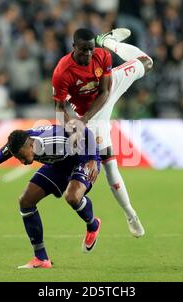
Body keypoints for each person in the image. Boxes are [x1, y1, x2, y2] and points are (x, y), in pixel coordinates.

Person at [52, 28, 153, 238]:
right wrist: (74, 127)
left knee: (147, 62)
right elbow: (60, 110)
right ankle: (131, 215)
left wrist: (84, 121)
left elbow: (106, 91)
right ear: (73, 48)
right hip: (88, 114)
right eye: (83, 50)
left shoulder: (101, 56)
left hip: (103, 96)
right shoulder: (62, 71)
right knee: (109, 164)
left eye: (91, 49)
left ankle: (110, 41)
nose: (88, 54)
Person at [0, 124, 101, 269]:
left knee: (72, 197)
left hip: (81, 160)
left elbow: (84, 130)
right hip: (57, 166)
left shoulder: (54, 141)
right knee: (25, 201)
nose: (22, 162)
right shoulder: (17, 144)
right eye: (18, 158)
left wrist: (93, 158)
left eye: (22, 157)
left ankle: (93, 225)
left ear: (31, 146)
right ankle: (41, 258)